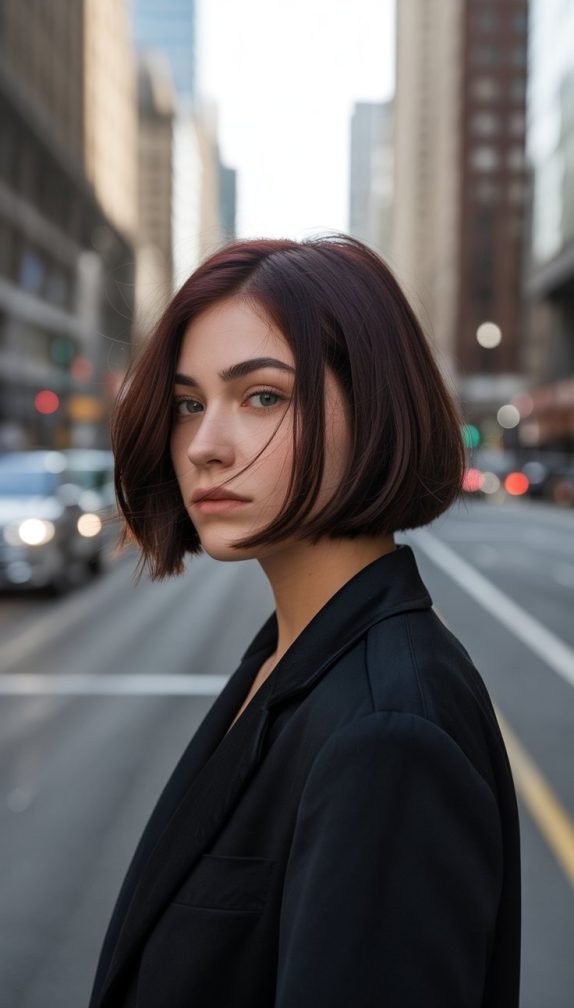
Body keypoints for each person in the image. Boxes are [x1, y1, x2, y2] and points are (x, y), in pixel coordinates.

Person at [89, 235, 521, 1008]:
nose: (206, 447)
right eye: (190, 404)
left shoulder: (389, 734)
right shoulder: (288, 658)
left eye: (263, 396)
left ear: (375, 406)